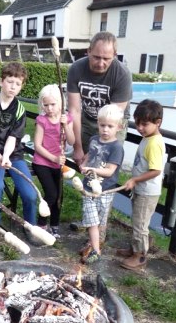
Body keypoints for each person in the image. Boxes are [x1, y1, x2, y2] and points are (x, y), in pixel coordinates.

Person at [0, 62, 38, 245]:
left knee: (30, 193)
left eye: (18, 84)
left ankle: (31, 226)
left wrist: (7, 156)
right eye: (10, 82)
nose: (13, 87)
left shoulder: (19, 109)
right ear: (1, 81)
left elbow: (13, 138)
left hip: (13, 155)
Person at [67, 31, 132, 166]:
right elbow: (74, 110)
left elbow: (112, 118)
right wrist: (77, 148)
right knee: (83, 162)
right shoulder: (76, 69)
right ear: (89, 51)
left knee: (105, 162)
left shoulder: (122, 74)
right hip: (87, 116)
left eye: (106, 59)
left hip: (114, 121)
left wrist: (93, 152)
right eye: (96, 57)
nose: (100, 63)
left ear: (114, 55)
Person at [118, 99, 165, 270]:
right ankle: (134, 248)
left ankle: (140, 256)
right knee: (137, 220)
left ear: (157, 122)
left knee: (140, 224)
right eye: (137, 123)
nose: (139, 128)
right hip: (141, 189)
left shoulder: (154, 143)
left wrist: (135, 180)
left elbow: (156, 170)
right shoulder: (147, 137)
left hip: (147, 192)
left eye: (144, 124)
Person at [78, 105, 124, 264]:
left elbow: (110, 171)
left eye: (110, 126)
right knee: (91, 219)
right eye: (102, 125)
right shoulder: (93, 139)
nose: (105, 129)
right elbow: (89, 154)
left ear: (118, 127)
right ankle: (96, 251)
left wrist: (92, 169)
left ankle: (93, 244)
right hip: (88, 188)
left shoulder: (116, 147)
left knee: (99, 221)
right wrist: (84, 163)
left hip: (105, 190)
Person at [32, 84, 75, 239]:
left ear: (60, 103)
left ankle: (55, 225)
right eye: (46, 105)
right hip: (42, 162)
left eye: (53, 104)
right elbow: (37, 145)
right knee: (51, 193)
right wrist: (53, 158)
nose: (49, 108)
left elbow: (71, 140)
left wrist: (65, 125)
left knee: (59, 196)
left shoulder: (67, 118)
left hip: (59, 164)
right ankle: (41, 223)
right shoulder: (42, 120)